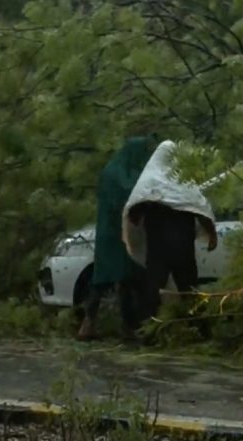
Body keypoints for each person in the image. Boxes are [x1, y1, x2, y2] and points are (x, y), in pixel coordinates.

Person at [122, 140, 218, 327]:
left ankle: (149, 329)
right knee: (188, 287)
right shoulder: (184, 182)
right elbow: (199, 206)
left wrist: (151, 208)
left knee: (153, 288)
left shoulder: (149, 182)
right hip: (183, 245)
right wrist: (211, 233)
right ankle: (198, 328)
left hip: (159, 247)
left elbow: (133, 213)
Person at [77, 136, 156, 342]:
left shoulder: (114, 170)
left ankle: (103, 326)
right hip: (117, 232)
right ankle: (117, 327)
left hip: (113, 232)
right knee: (115, 278)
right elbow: (130, 195)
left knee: (113, 279)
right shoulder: (119, 175)